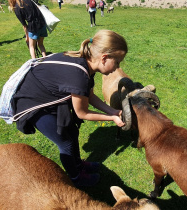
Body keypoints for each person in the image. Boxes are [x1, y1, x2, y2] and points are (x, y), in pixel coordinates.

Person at [12, 30, 128, 187]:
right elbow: (82, 113)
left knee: (71, 131)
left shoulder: (87, 65)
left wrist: (112, 110)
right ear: (104, 58)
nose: (118, 67)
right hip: (33, 103)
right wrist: (112, 118)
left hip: (49, 95)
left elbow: (90, 97)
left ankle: (79, 165)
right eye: (118, 62)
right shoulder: (79, 74)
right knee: (65, 141)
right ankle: (76, 178)